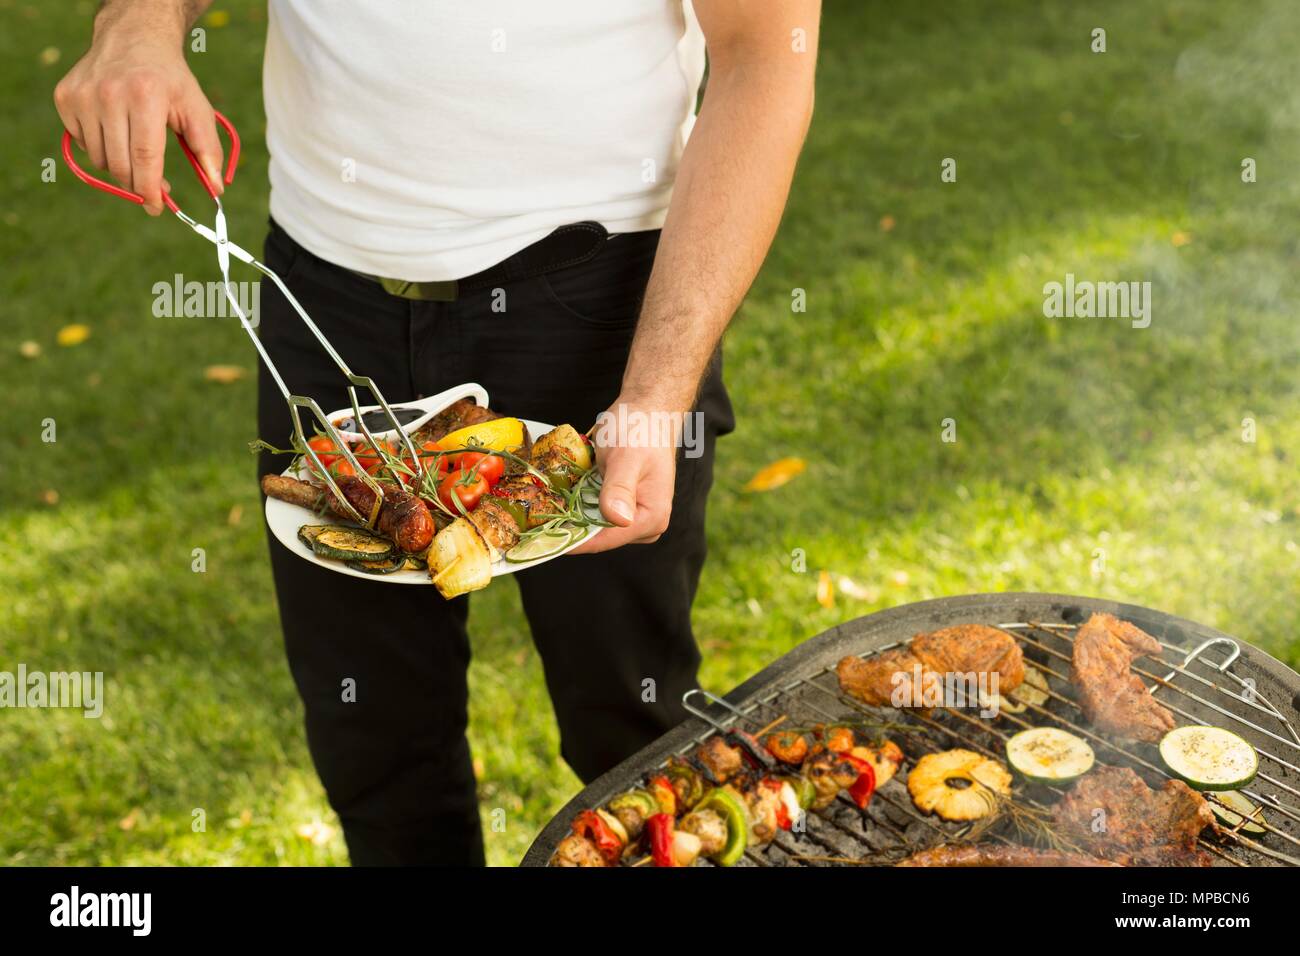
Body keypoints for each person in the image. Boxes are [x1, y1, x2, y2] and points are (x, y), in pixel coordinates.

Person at [56, 0, 819, 865]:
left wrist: (657, 389)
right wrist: (139, 28)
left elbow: (766, 56)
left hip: (604, 305)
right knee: (375, 744)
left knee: (631, 731)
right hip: (325, 296)